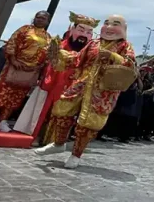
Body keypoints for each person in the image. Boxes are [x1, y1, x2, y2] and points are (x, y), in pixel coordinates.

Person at [35, 15, 136, 169]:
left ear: (123, 29)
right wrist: (60, 54)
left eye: (115, 24)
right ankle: (58, 143)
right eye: (106, 23)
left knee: (87, 124)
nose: (109, 27)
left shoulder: (125, 46)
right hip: (81, 83)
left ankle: (76, 155)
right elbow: (77, 60)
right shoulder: (93, 44)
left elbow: (130, 64)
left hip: (103, 90)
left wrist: (113, 56)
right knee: (62, 109)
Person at [0, 11, 53, 132]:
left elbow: (47, 55)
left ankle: (2, 121)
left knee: (16, 97)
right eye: (38, 17)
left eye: (43, 18)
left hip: (29, 72)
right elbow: (12, 43)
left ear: (47, 21)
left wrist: (39, 66)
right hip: (15, 66)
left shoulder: (48, 38)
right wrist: (13, 59)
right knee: (1, 93)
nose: (40, 20)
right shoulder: (24, 30)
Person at [35, 12, 98, 144]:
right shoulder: (60, 45)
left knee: (67, 115)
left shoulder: (90, 51)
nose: (84, 35)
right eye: (81, 30)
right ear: (72, 29)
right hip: (57, 83)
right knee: (48, 110)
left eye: (89, 32)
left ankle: (56, 141)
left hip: (75, 87)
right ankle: (40, 136)